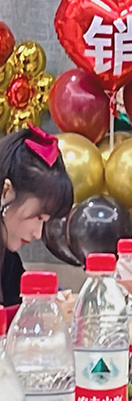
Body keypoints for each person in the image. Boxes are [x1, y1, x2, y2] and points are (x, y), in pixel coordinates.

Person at [0, 125, 73, 308]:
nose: (38, 234)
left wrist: (51, 303)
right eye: (38, 218)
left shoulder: (9, 262)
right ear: (6, 192)